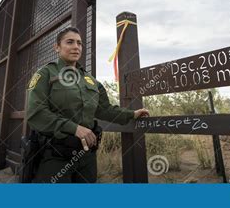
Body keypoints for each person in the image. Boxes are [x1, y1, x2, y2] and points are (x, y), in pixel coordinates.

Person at [26, 26, 149, 183]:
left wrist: (131, 114)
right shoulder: (45, 74)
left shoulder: (90, 80)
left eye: (79, 43)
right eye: (70, 42)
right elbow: (36, 112)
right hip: (56, 155)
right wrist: (74, 128)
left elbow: (104, 110)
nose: (76, 47)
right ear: (57, 47)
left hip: (87, 157)